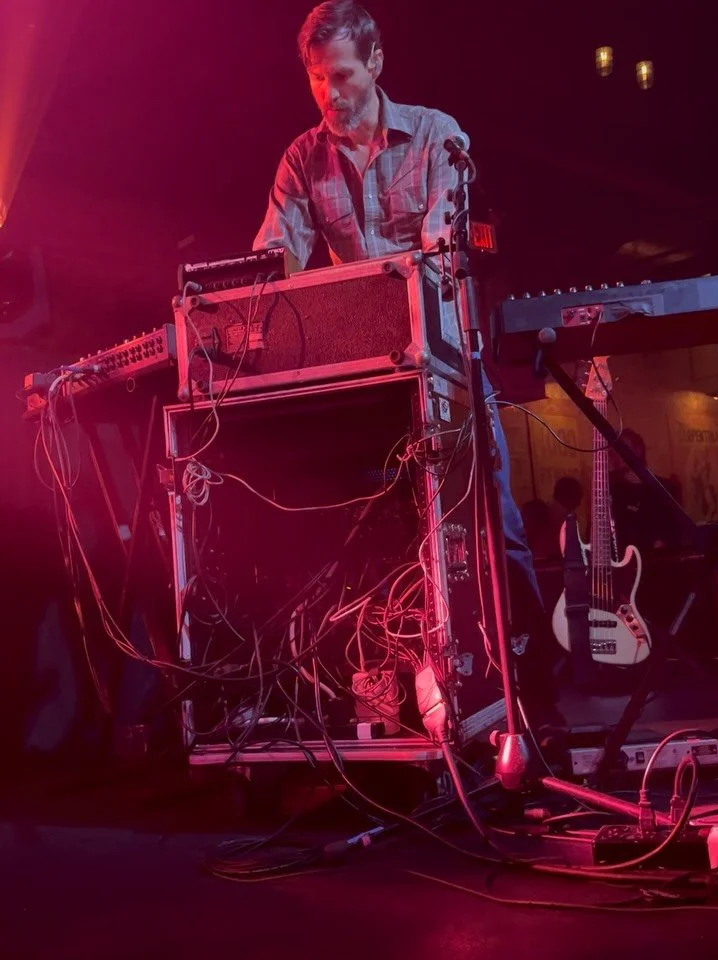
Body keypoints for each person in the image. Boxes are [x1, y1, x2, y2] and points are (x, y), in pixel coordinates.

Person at [253, 0, 562, 731]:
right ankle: (393, 698)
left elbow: (436, 251)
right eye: (316, 78)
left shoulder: (435, 135)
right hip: (368, 380)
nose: (329, 93)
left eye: (341, 75)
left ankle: (533, 693)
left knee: (492, 525)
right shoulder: (301, 159)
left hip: (448, 365)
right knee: (375, 539)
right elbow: (274, 260)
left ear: (376, 62)